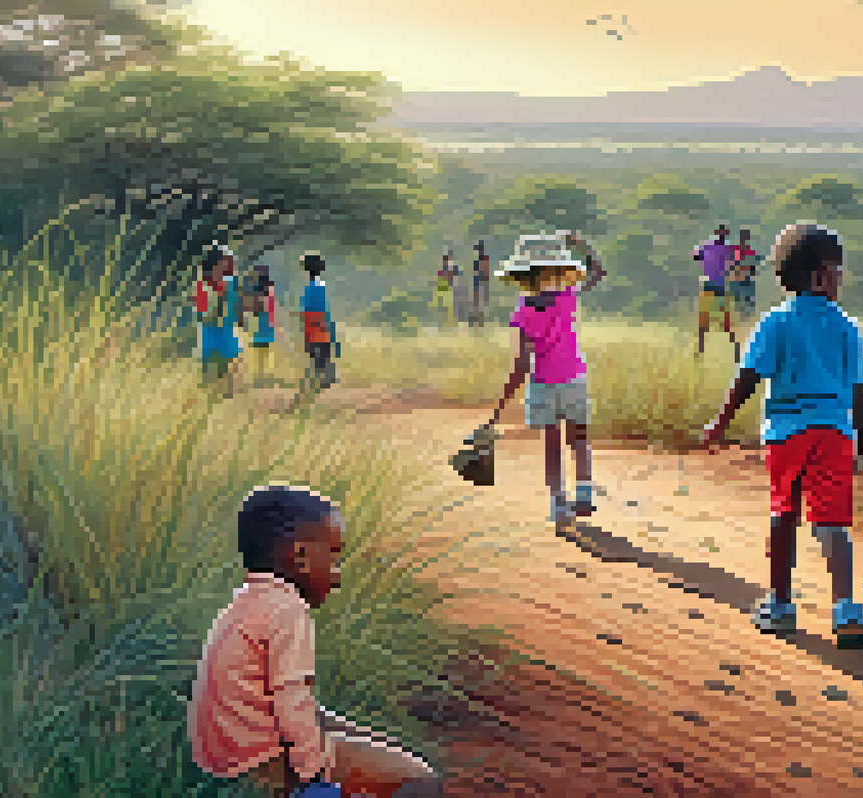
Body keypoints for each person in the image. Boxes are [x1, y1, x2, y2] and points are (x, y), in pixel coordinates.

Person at [189, 485, 444, 798]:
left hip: (229, 761)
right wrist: (315, 777)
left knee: (384, 753)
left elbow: (296, 708)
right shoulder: (288, 610)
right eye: (334, 558)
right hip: (264, 763)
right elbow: (291, 703)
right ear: (300, 557)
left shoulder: (246, 603)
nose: (337, 576)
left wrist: (363, 737)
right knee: (419, 780)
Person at [700, 223, 863, 649]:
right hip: (835, 434)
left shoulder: (775, 322)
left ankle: (780, 605)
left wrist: (719, 423)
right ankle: (846, 609)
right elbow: (860, 391)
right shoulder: (847, 326)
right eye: (835, 271)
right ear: (818, 275)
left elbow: (748, 377)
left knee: (784, 516)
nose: (839, 279)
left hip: (787, 434)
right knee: (834, 524)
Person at [488, 231, 607, 523]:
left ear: (523, 278)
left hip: (543, 382)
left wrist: (500, 405)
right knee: (579, 439)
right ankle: (584, 494)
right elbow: (598, 271)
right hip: (574, 379)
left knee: (551, 444)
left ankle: (557, 503)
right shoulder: (567, 297)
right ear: (556, 272)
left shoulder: (523, 311)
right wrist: (580, 244)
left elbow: (522, 362)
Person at [195, 244, 246, 397]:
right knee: (210, 385)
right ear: (216, 262)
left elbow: (237, 306)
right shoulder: (203, 284)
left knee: (226, 387)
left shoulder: (231, 282)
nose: (230, 262)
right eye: (226, 259)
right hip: (211, 341)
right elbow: (201, 314)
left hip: (227, 340)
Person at [694, 222, 740, 362]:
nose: (723, 234)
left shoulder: (724, 248)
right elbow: (697, 256)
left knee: (725, 321)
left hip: (718, 286)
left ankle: (735, 351)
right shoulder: (719, 247)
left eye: (725, 232)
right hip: (712, 286)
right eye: (722, 232)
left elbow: (697, 256)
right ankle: (700, 351)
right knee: (705, 321)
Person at [299, 252, 339, 392]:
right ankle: (326, 376)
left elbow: (309, 308)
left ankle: (323, 378)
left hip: (314, 323)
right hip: (320, 322)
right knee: (322, 351)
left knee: (317, 352)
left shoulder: (311, 286)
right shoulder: (319, 284)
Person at [245, 262, 279, 387]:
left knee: (259, 351)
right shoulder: (270, 288)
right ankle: (264, 376)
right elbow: (272, 306)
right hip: (267, 322)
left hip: (259, 322)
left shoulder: (255, 290)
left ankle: (260, 376)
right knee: (265, 351)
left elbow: (253, 307)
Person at [728, 227, 761, 329]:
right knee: (739, 304)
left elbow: (753, 268)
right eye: (744, 237)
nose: (744, 239)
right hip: (739, 281)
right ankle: (740, 323)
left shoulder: (749, 252)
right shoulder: (736, 251)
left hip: (744, 281)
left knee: (747, 304)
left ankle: (745, 323)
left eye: (745, 237)